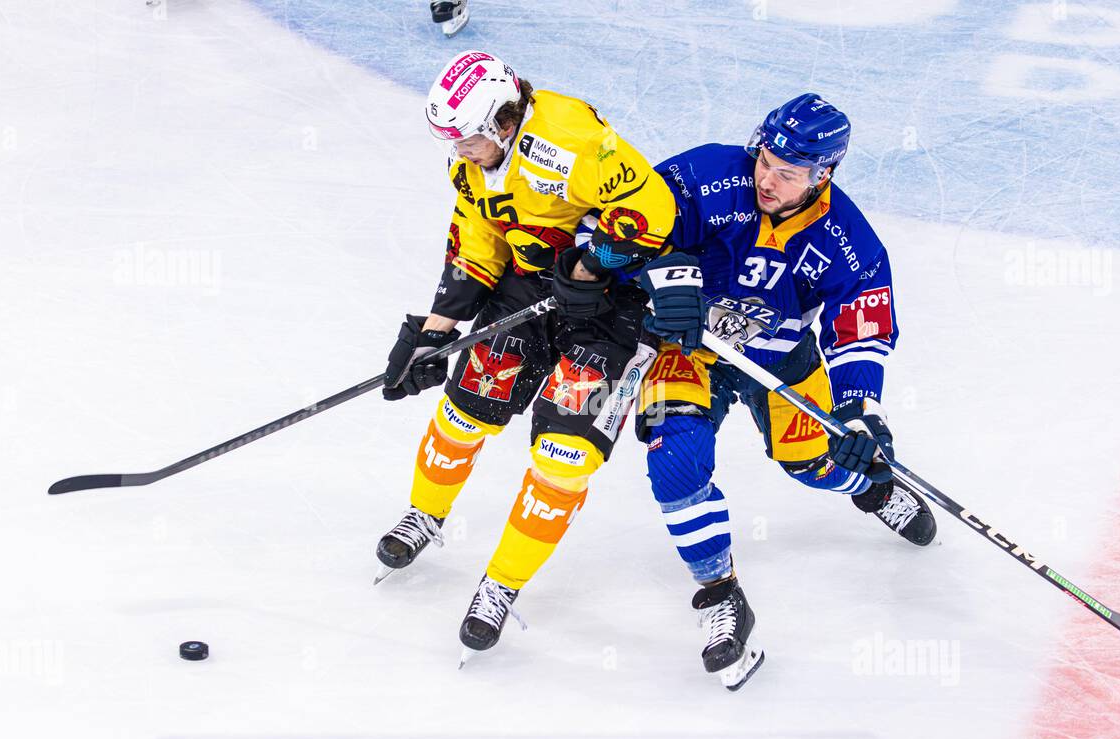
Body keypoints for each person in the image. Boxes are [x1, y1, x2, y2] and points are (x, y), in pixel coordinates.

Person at [632, 94, 937, 690]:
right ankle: (720, 592)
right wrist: (666, 278)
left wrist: (858, 413)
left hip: (779, 358)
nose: (766, 179)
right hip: (687, 349)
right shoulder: (706, 174)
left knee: (818, 463)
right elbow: (625, 224)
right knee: (675, 459)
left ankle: (873, 487)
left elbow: (863, 324)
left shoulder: (848, 239)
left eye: (788, 173)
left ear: (824, 174)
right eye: (765, 161)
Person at [378, 51, 675, 659]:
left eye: (464, 140)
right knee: (464, 414)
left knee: (563, 458)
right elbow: (478, 242)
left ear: (502, 122)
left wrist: (592, 266)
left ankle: (501, 584)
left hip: (611, 312)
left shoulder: (571, 141)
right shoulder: (473, 168)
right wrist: (436, 332)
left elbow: (656, 215)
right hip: (527, 292)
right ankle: (425, 516)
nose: (456, 153)